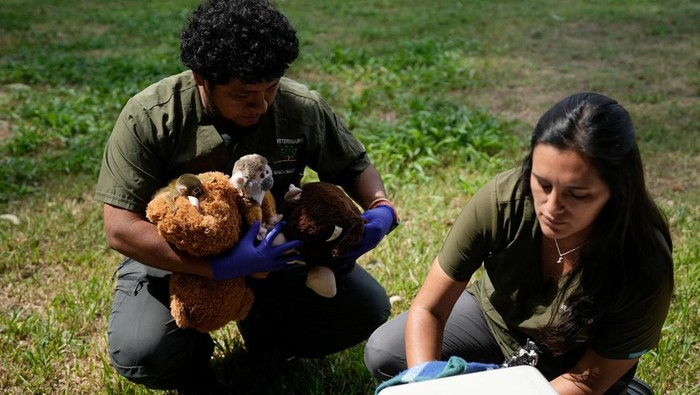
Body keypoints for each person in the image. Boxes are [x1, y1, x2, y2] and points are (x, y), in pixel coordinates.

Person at [95, 0, 397, 392]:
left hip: (274, 251)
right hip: (177, 259)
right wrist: (218, 268)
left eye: (271, 88)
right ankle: (191, 360)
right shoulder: (152, 116)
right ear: (201, 78)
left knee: (364, 310)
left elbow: (355, 167)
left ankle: (268, 335)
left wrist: (381, 207)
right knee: (144, 352)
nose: (262, 104)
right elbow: (119, 229)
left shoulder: (299, 107)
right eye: (243, 94)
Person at [364, 92, 673, 395]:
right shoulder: (504, 199)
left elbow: (586, 381)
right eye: (543, 184)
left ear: (617, 191)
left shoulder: (644, 262)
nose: (551, 207)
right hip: (494, 326)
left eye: (577, 194)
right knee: (387, 351)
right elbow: (429, 310)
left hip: (571, 370)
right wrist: (428, 385)